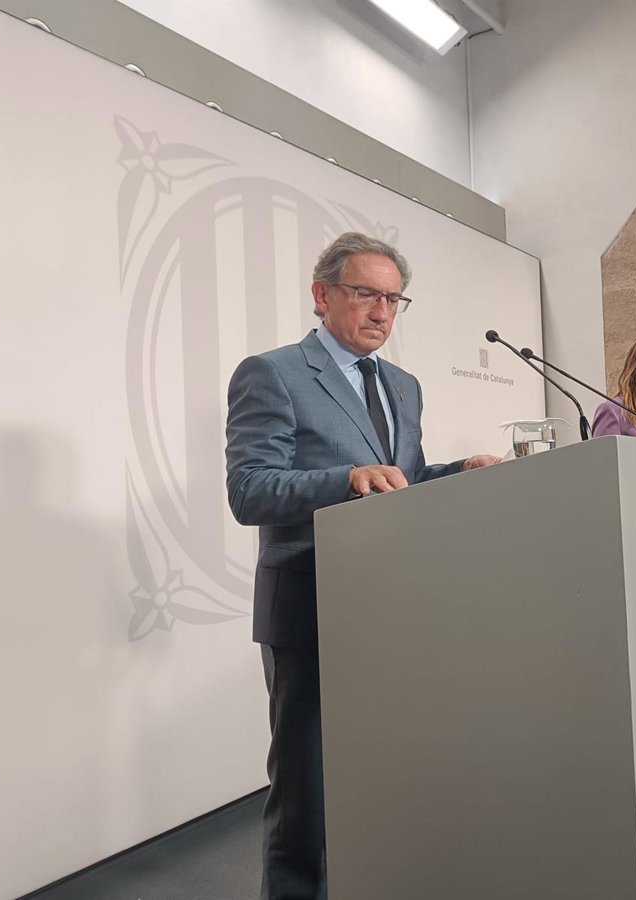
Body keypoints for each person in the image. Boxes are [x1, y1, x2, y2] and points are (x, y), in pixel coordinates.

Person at [225, 232, 500, 900]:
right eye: (365, 294)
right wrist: (345, 479)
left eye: (393, 299)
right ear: (323, 296)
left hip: (390, 607)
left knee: (381, 780)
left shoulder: (403, 386)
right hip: (310, 607)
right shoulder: (273, 373)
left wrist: (458, 472)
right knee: (307, 791)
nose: (381, 311)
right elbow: (250, 490)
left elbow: (401, 480)